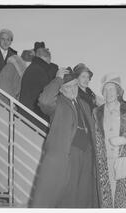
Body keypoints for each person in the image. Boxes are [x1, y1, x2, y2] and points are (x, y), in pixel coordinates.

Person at [29, 67, 98, 208]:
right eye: (68, 86)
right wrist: (58, 79)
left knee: (80, 197)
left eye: (74, 85)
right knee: (65, 197)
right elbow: (45, 100)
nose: (73, 89)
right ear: (61, 89)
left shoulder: (84, 104)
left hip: (85, 155)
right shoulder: (58, 103)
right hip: (68, 154)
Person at [93, 74, 126, 208]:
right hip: (104, 164)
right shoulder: (96, 112)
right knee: (106, 199)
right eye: (105, 90)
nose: (108, 93)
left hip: (123, 162)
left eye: (112, 89)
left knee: (125, 200)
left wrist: (124, 139)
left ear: (118, 92)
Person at [19, 41, 58, 122]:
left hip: (26, 113)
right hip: (33, 116)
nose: (50, 63)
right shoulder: (40, 71)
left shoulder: (33, 68)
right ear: (46, 57)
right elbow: (45, 95)